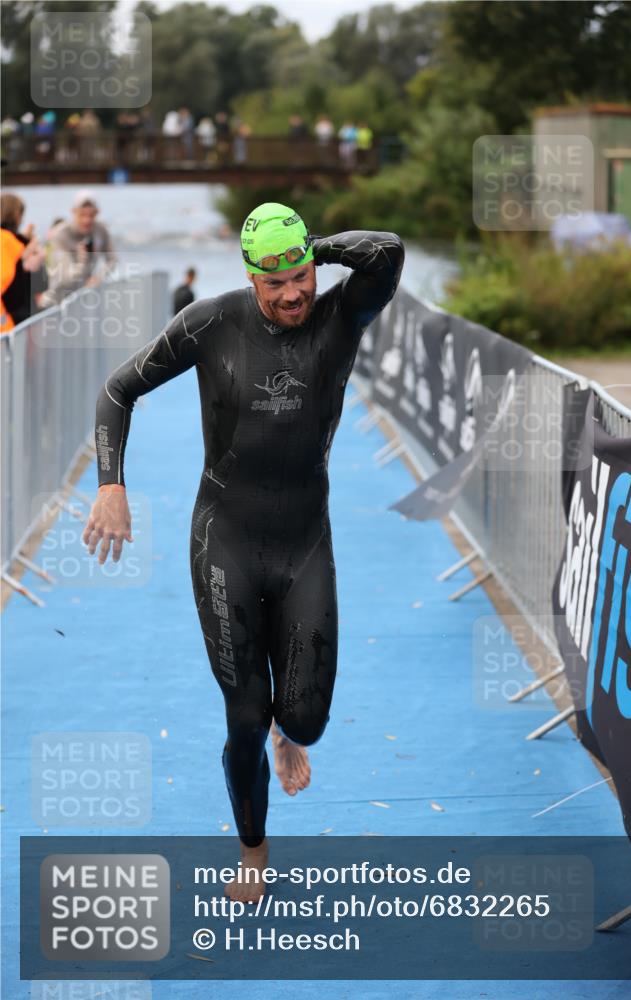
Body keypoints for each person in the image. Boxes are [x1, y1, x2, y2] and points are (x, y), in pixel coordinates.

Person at [83, 202, 404, 902]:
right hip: (224, 538)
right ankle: (252, 851)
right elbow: (117, 390)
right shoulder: (211, 321)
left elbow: (386, 251)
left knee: (305, 721)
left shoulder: (340, 315)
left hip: (303, 542)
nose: (293, 295)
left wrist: (310, 249)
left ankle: (290, 733)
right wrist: (110, 485)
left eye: (301, 278)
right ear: (250, 277)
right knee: (246, 717)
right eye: (275, 282)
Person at [41, 190, 116, 305]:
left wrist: (99, 277)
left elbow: (112, 259)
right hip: (58, 301)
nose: (87, 220)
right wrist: (82, 261)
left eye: (91, 215)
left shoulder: (100, 230)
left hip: (85, 298)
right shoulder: (60, 235)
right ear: (73, 212)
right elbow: (64, 278)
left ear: (97, 213)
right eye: (82, 215)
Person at [1, 193, 46, 332]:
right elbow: (40, 282)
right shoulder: (14, 241)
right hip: (17, 316)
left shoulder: (18, 241)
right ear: (17, 215)